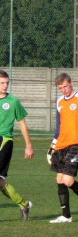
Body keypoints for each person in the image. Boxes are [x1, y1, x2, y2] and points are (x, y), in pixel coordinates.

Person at [48, 73, 78, 223]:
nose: (63, 90)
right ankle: (66, 216)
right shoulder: (59, 102)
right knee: (59, 179)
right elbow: (59, 127)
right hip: (61, 144)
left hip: (76, 144)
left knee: (68, 180)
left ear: (71, 83)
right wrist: (52, 147)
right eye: (60, 88)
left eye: (65, 86)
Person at [0, 70, 34, 221]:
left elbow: (22, 124)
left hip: (4, 140)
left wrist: (28, 145)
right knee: (0, 183)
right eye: (2, 83)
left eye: (7, 83)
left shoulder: (13, 101)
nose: (5, 86)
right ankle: (23, 204)